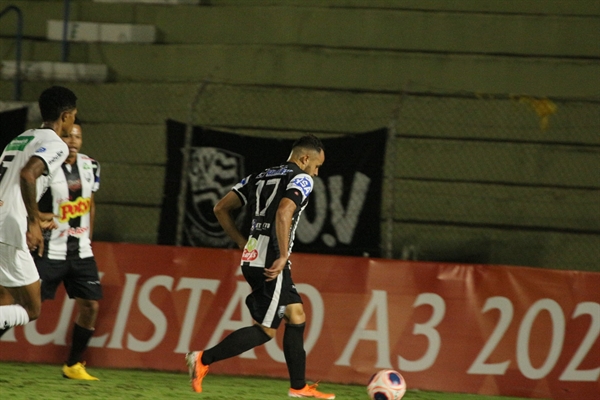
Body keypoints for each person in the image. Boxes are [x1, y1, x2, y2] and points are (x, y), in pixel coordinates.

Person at [185, 134, 335, 399]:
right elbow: (283, 211)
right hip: (271, 260)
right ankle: (203, 359)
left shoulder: (259, 176)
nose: (317, 172)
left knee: (296, 316)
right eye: (316, 165)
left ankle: (298, 387)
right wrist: (282, 253)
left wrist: (244, 242)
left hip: (254, 255)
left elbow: (220, 208)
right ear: (304, 158)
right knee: (265, 330)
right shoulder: (301, 178)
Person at [0, 86, 76, 337]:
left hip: (4, 218)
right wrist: (32, 221)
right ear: (65, 116)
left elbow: (9, 185)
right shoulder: (56, 144)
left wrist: (36, 216)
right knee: (31, 308)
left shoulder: (22, 137)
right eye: (73, 115)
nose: (73, 121)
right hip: (9, 229)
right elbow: (27, 174)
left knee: (5, 297)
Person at [34, 119, 102, 380]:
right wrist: (39, 217)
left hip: (81, 251)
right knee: (27, 306)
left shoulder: (91, 165)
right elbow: (24, 200)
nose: (73, 141)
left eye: (77, 137)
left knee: (90, 306)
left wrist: (89, 239)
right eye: (69, 136)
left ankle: (73, 365)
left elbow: (90, 203)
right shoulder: (44, 166)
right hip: (50, 250)